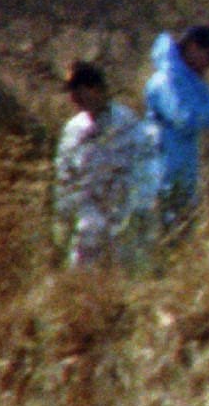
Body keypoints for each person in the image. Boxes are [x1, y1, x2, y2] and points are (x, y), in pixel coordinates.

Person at [52, 61, 152, 268]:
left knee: (124, 273)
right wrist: (63, 213)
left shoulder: (127, 123)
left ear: (96, 89)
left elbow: (146, 167)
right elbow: (65, 173)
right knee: (81, 274)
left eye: (78, 91)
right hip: (88, 218)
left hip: (123, 214)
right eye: (71, 93)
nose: (74, 99)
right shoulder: (74, 129)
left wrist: (139, 208)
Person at [142, 25, 209, 222]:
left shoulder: (192, 82)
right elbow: (187, 119)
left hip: (184, 178)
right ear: (192, 46)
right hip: (161, 177)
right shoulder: (167, 80)